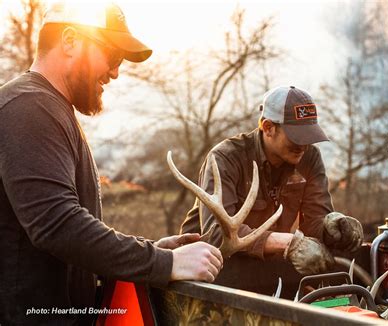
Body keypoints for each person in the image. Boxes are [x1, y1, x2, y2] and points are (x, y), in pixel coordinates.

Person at [0, 2, 222, 324]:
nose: (116, 72)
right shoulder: (30, 107)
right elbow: (57, 225)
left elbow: (68, 237)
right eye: (112, 56)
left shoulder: (48, 108)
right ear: (70, 40)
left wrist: (151, 249)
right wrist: (164, 263)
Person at [181, 85, 363, 276]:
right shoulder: (226, 159)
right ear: (268, 128)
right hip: (208, 273)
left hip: (265, 271)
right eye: (297, 138)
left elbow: (313, 223)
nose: (303, 145)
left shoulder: (309, 158)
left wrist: (331, 227)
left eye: (309, 136)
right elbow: (217, 234)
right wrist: (287, 243)